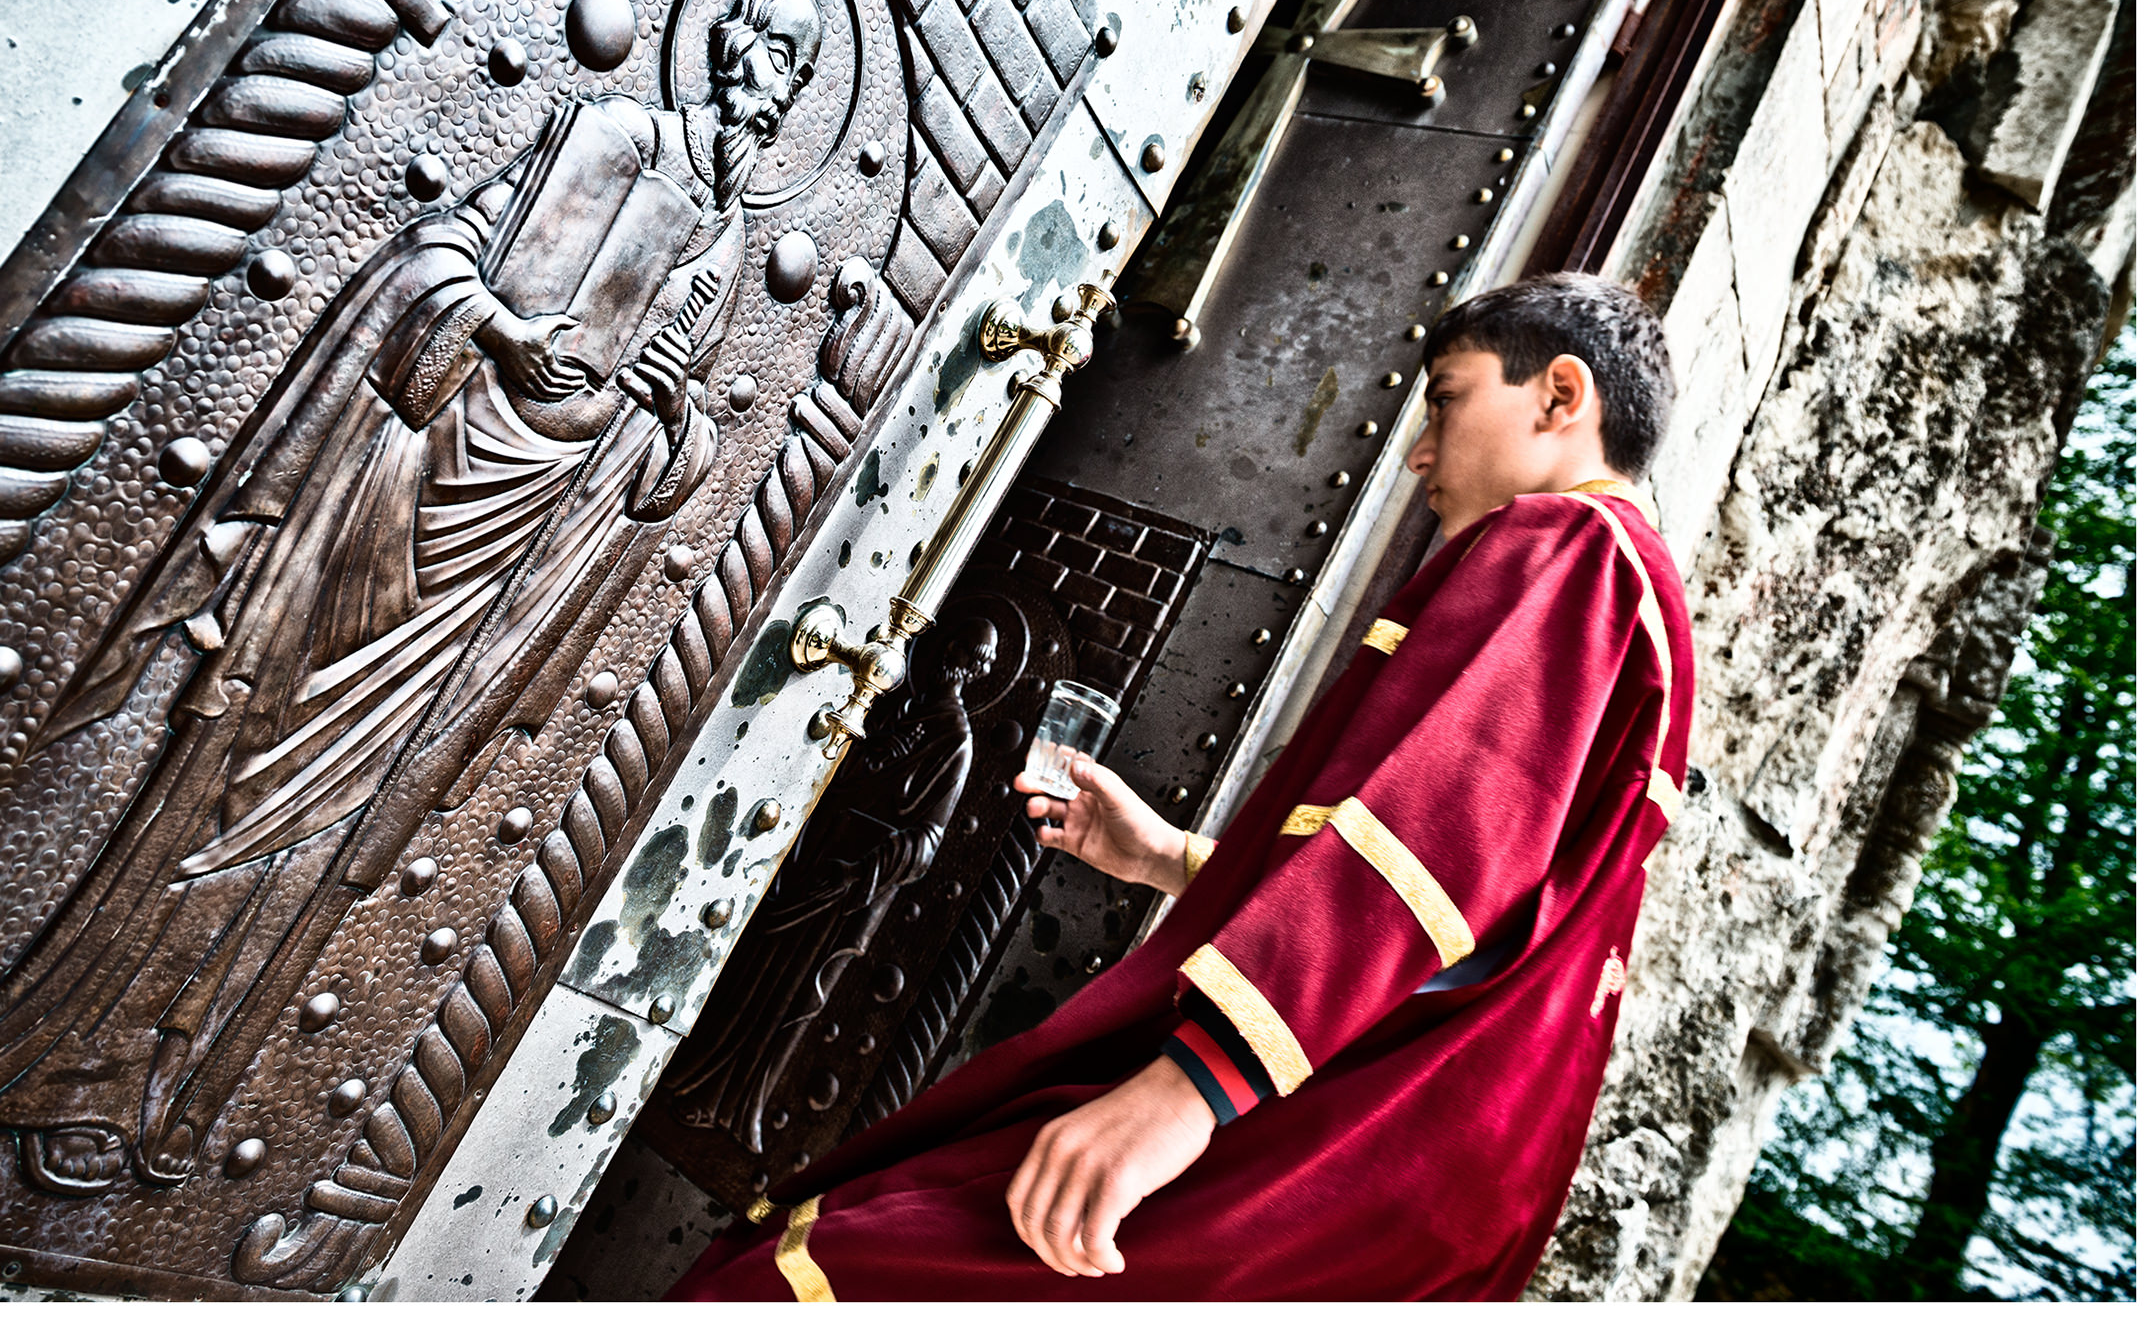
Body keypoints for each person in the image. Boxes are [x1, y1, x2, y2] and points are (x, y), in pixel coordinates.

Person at [0, 0, 826, 1196]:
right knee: (239, 760)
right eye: (770, 47)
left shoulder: (726, 236)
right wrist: (503, 330)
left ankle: (172, 1097)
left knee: (358, 823)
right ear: (726, 42)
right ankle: (67, 1057)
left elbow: (679, 443)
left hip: (521, 552)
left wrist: (670, 420)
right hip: (406, 479)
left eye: (800, 67)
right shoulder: (608, 137)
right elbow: (434, 258)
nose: (774, 79)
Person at [671, 271, 1691, 1299]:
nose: (1421, 450)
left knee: (821, 1275)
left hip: (1313, 1125)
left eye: (1448, 396)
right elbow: (1490, 905)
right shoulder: (1650, 631)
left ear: (1562, 397)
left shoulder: (1578, 548)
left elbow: (1427, 851)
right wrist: (1175, 860)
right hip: (1415, 1166)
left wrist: (1193, 1088)